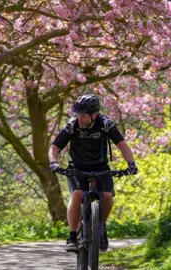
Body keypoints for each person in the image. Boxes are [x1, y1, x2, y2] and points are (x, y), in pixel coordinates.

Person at [48, 94, 138, 252]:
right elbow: (55, 147)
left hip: (100, 167)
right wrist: (54, 162)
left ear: (94, 115)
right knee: (77, 194)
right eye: (78, 115)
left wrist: (131, 163)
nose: (80, 119)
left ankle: (100, 226)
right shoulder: (72, 125)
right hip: (77, 167)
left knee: (107, 196)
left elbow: (122, 144)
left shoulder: (106, 124)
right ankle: (72, 236)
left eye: (83, 116)